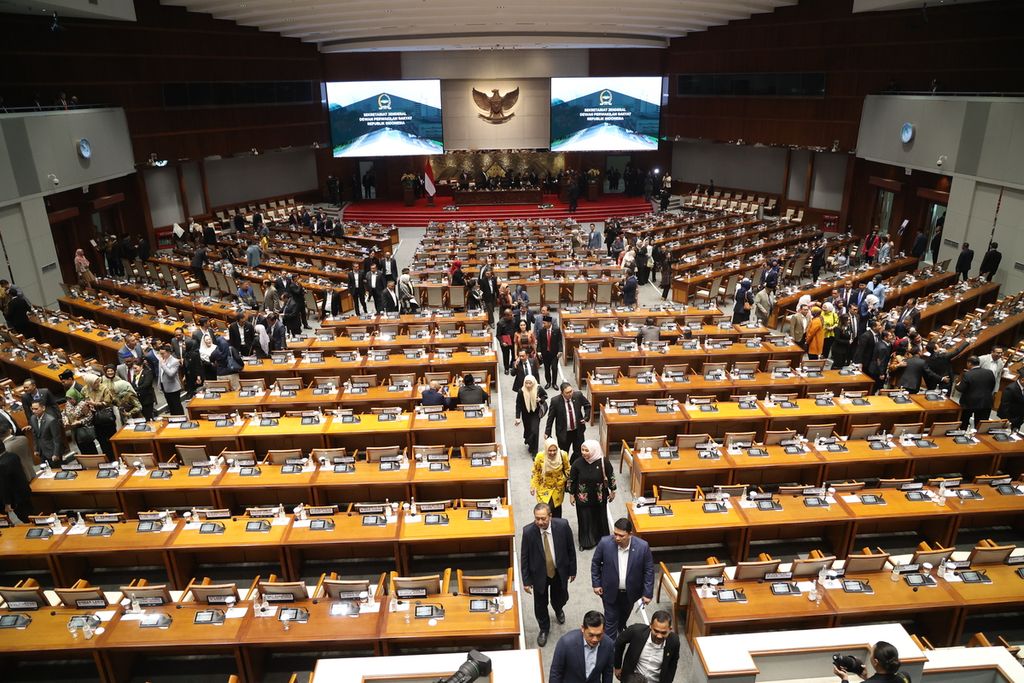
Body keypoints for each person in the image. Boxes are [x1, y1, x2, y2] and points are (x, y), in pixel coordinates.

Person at [521, 502, 576, 647]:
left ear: (550, 516)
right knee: (540, 604)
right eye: (537, 518)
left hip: (559, 572)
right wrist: (526, 581)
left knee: (561, 597)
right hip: (539, 575)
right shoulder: (528, 532)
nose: (540, 522)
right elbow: (524, 557)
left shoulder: (563, 526)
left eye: (543, 518)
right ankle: (544, 629)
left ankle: (558, 608)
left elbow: (571, 549)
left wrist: (572, 570)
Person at [590, 517, 654, 640]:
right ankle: (610, 649)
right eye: (615, 534)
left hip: (631, 594)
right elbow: (595, 564)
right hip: (609, 592)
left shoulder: (642, 547)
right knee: (610, 622)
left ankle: (620, 627)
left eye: (621, 535)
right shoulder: (605, 543)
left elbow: (648, 570)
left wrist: (648, 592)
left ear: (630, 534)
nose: (617, 538)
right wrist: (596, 583)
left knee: (623, 618)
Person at [568, 439, 615, 550]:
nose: (584, 452)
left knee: (600, 518)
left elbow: (611, 476)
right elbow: (571, 480)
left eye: (586, 450)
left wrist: (613, 491)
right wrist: (571, 494)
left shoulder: (604, 462)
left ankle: (602, 541)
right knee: (584, 520)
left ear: (594, 450)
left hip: (599, 497)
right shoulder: (577, 463)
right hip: (583, 498)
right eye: (582, 450)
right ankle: (585, 542)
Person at [613, 611, 681, 683]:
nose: (659, 636)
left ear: (670, 629)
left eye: (663, 632)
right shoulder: (636, 631)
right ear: (650, 625)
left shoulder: (674, 641)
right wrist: (617, 666)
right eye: (656, 631)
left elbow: (673, 664)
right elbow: (619, 642)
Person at [549, 611, 614, 683]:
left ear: (604, 631)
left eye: (599, 635)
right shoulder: (566, 643)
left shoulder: (609, 645)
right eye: (591, 635)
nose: (595, 639)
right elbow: (556, 672)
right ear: (583, 628)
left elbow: (608, 672)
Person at [545, 382, 591, 462]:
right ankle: (566, 468)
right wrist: (547, 432)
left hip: (578, 431)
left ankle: (572, 466)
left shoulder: (578, 395)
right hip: (564, 432)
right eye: (567, 392)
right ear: (562, 393)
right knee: (563, 453)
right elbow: (550, 418)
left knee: (579, 453)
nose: (570, 394)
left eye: (571, 391)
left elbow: (587, 405)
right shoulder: (555, 401)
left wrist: (586, 417)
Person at [834, 641, 909, 683]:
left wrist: (844, 678)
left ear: (876, 661)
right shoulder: (904, 677)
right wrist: (867, 679)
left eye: (871, 653)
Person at [531, 438, 571, 517]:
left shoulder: (563, 455)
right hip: (544, 487)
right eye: (550, 450)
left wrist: (562, 479)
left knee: (556, 509)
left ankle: (556, 527)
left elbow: (568, 469)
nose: (552, 453)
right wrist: (533, 486)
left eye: (554, 450)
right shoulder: (540, 456)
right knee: (545, 510)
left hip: (557, 488)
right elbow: (535, 472)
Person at [957, 355, 996, 429]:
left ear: (969, 363)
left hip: (969, 403)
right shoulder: (989, 372)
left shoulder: (968, 374)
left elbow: (961, 388)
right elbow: (992, 386)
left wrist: (957, 385)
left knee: (964, 423)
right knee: (981, 426)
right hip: (986, 402)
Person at [0, 437, 33, 523]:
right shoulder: (13, 456)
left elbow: (4, 486)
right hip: (24, 491)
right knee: (31, 514)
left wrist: (7, 503)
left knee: (25, 518)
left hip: (16, 498)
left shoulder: (1, 465)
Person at [515, 376, 548, 455]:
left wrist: (540, 399)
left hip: (535, 413)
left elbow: (545, 396)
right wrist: (517, 417)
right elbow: (518, 405)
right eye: (526, 383)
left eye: (530, 383)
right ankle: (530, 443)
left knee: (535, 431)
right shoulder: (521, 391)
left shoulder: (538, 388)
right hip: (525, 414)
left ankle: (534, 452)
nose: (528, 385)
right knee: (528, 430)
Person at [30, 400, 65, 468]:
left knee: (57, 472)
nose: (34, 411)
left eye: (36, 409)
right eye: (32, 409)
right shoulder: (33, 418)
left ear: (43, 408)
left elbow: (56, 438)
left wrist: (56, 454)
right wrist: (36, 449)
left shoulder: (51, 420)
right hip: (42, 451)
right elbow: (35, 435)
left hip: (52, 451)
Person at [157, 343, 184, 415]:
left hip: (173, 388)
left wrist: (163, 365)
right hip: (164, 387)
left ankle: (181, 419)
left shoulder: (175, 361)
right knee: (171, 406)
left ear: (168, 352)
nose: (161, 355)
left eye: (163, 353)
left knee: (177, 406)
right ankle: (173, 421)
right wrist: (159, 384)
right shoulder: (161, 360)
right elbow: (160, 374)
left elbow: (171, 374)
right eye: (160, 354)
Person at [536, 316, 563, 390]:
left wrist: (560, 350)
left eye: (544, 323)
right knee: (547, 369)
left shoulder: (557, 330)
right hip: (545, 353)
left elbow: (559, 341)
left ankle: (554, 383)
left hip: (554, 353)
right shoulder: (541, 331)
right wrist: (538, 351)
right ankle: (548, 382)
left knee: (554, 368)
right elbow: (539, 343)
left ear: (549, 323)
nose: (543, 324)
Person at [496, 308, 517, 375]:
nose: (512, 316)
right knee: (506, 355)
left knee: (514, 354)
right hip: (505, 340)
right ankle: (506, 368)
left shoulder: (513, 320)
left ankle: (513, 366)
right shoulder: (500, 323)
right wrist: (502, 342)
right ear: (506, 316)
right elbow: (498, 335)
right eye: (510, 315)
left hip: (513, 339)